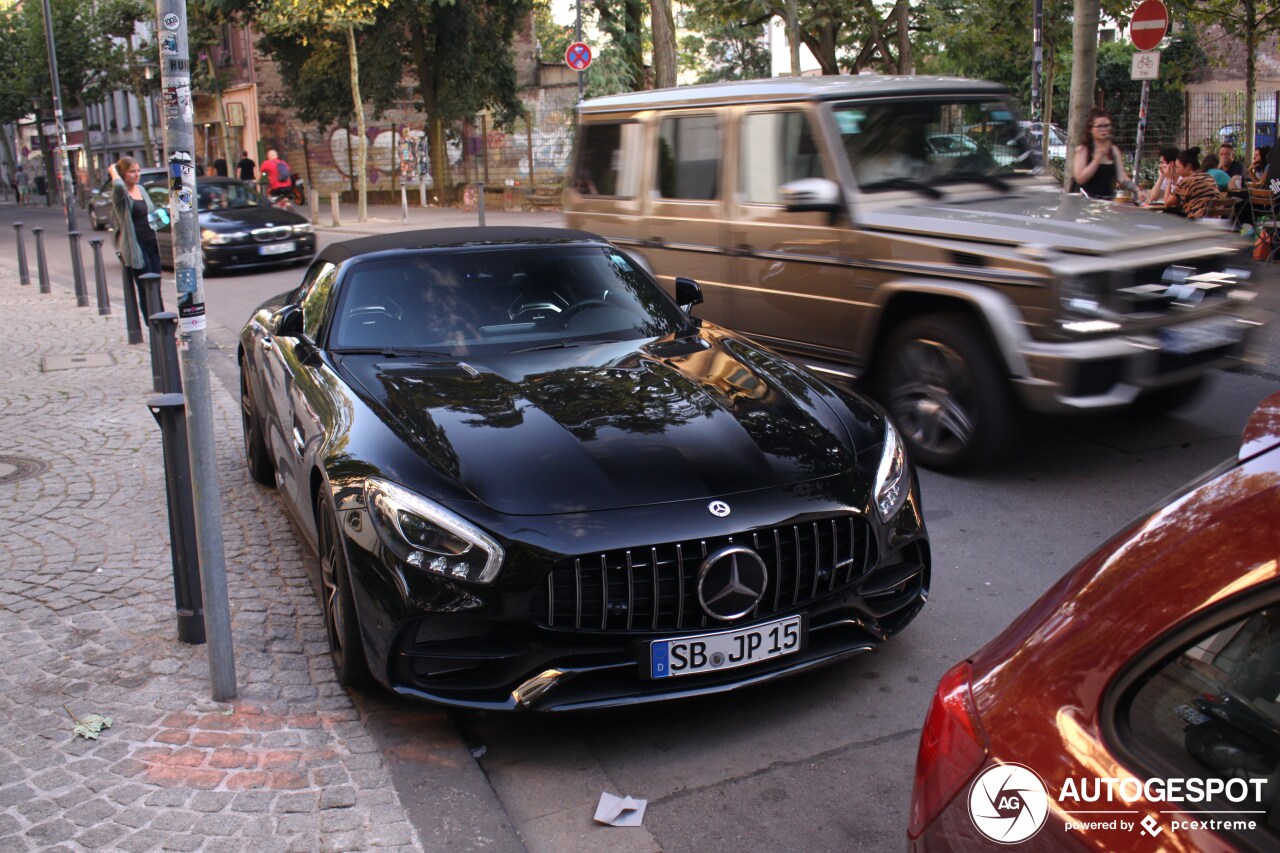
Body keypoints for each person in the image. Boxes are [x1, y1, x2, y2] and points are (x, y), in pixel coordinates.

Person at [107, 156, 163, 312]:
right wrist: (113, 170)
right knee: (146, 288)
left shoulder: (142, 190)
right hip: (136, 247)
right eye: (132, 171)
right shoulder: (121, 195)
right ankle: (153, 328)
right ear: (123, 173)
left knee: (156, 288)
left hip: (152, 244)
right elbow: (118, 185)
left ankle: (166, 333)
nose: (137, 174)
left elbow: (152, 214)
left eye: (138, 171)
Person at [1072, 108, 1134, 199]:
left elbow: (1122, 177)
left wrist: (1137, 190)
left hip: (1107, 202)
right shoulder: (1083, 150)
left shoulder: (1114, 150)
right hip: (1085, 202)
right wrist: (1097, 158)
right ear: (1091, 129)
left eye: (1107, 125)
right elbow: (1080, 179)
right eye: (1100, 126)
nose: (1104, 129)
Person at [1163, 147, 1221, 219]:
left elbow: (1167, 203)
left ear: (1188, 167)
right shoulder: (1209, 177)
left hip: (1197, 221)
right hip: (1215, 220)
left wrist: (1169, 179)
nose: (1177, 171)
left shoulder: (1187, 180)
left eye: (1178, 167)